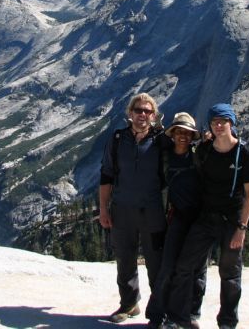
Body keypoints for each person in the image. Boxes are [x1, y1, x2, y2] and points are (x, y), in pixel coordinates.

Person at [163, 103, 249, 329]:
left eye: (222, 121)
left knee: (230, 274)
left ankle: (227, 323)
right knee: (186, 265)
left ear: (231, 123)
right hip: (206, 217)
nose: (218, 125)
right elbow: (183, 149)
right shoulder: (204, 150)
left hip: (231, 221)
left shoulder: (244, 154)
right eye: (214, 121)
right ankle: (181, 317)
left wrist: (241, 228)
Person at [99, 93, 168, 324]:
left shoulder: (161, 141)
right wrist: (103, 209)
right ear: (130, 113)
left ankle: (158, 312)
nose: (142, 115)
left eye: (147, 111)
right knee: (124, 259)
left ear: (154, 115)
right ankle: (129, 304)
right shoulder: (117, 139)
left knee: (156, 262)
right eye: (138, 110)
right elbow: (106, 175)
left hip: (152, 211)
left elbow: (178, 167)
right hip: (122, 209)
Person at [145, 112, 207, 329]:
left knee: (198, 269)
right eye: (179, 132)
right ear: (173, 134)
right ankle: (157, 315)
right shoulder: (165, 155)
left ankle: (190, 314)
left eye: (187, 133)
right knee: (168, 266)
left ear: (192, 136)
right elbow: (153, 138)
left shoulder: (198, 155)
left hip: (200, 219)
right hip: (178, 217)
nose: (183, 136)